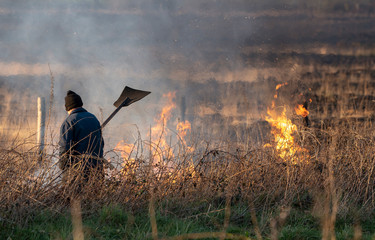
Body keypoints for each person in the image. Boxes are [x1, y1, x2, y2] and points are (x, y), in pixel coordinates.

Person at [59, 90, 104, 195]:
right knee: (95, 199)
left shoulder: (69, 121)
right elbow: (101, 143)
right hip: (97, 168)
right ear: (80, 104)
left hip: (78, 170)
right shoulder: (93, 118)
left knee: (73, 199)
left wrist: (63, 166)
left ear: (68, 107)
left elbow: (65, 147)